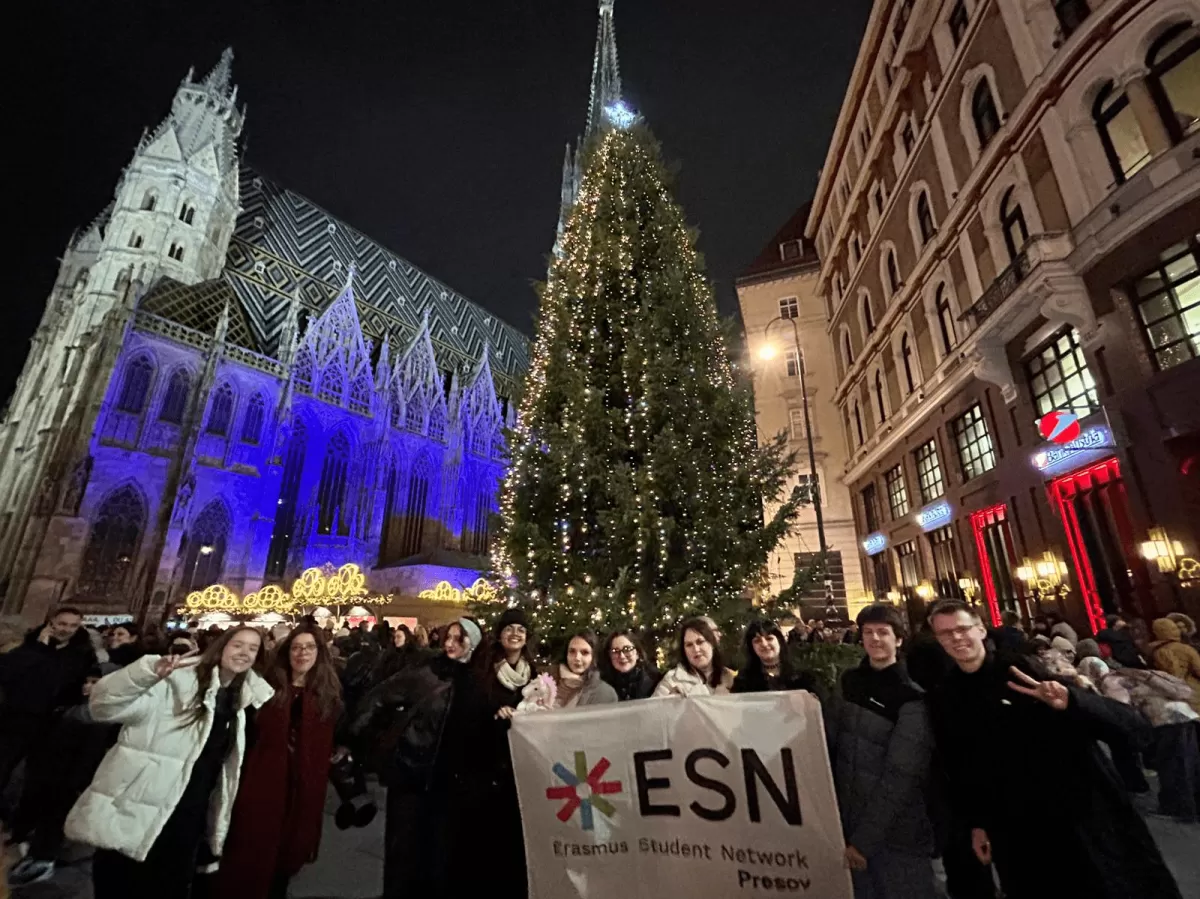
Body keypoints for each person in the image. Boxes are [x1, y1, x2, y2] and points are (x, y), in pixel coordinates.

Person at [925, 600, 1181, 899]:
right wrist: (978, 824)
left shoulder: (1025, 670)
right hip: (1015, 828)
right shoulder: (946, 696)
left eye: (962, 629)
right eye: (945, 634)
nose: (956, 638)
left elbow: (1130, 728)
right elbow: (963, 768)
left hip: (1076, 817)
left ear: (981, 629)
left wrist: (1071, 701)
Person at [64, 626, 272, 899]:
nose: (244, 652)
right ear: (221, 647)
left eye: (252, 648)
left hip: (188, 816)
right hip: (139, 807)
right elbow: (103, 706)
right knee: (119, 885)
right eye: (237, 644)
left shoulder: (243, 702)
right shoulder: (175, 683)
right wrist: (146, 672)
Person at [350, 617, 485, 898]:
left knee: (437, 857)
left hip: (448, 784)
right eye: (449, 636)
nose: (450, 643)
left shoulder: (476, 680)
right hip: (411, 774)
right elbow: (378, 697)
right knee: (403, 853)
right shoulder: (426, 671)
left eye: (459, 639)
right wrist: (352, 738)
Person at [218, 624, 344, 899]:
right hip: (265, 779)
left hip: (304, 784)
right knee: (252, 850)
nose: (302, 653)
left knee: (288, 853)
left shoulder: (326, 693)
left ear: (319, 652)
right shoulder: (267, 686)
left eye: (309, 647)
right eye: (297, 647)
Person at [823, 604, 937, 899]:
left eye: (883, 632)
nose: (875, 639)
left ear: (898, 639)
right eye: (868, 632)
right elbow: (829, 745)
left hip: (896, 834)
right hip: (849, 822)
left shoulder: (911, 698)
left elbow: (901, 777)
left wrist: (864, 841)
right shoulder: (849, 683)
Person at [5, 668, 119, 888]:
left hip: (67, 779)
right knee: (42, 812)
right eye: (87, 681)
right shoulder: (70, 707)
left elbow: (89, 754)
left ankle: (43, 860)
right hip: (48, 772)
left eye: (95, 682)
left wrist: (77, 782)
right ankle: (32, 849)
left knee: (54, 819)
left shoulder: (100, 717)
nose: (88, 686)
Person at [0, 606, 95, 817]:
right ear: (51, 622)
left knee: (36, 774)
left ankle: (18, 818)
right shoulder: (30, 645)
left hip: (52, 721)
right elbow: (7, 672)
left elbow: (84, 680)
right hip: (18, 717)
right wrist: (39, 649)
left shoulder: (82, 652)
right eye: (62, 624)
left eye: (73, 625)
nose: (67, 629)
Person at [1078, 657, 1199, 822]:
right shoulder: (1135, 673)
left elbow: (1122, 707)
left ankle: (1176, 809)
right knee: (1189, 765)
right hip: (1185, 714)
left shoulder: (1110, 682)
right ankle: (1192, 807)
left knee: (1172, 767)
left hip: (1164, 720)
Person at [653, 617, 734, 697]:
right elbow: (652, 708)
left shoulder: (729, 677)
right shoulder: (672, 680)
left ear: (712, 643)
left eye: (700, 642)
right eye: (689, 645)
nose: (696, 649)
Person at [732, 619, 816, 693]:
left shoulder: (802, 676)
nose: (764, 644)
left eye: (769, 638)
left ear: (779, 641)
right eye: (757, 641)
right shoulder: (744, 680)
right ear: (751, 647)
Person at [551, 631, 617, 707]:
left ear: (594, 657)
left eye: (585, 652)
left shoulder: (605, 692)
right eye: (572, 651)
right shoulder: (548, 683)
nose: (577, 658)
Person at [1149, 617, 1200, 713]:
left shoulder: (1154, 652)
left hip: (1169, 693)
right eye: (1174, 629)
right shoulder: (1185, 649)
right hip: (1193, 692)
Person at [599, 629, 662, 700]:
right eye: (615, 651)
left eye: (627, 649)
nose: (622, 656)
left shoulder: (655, 681)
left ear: (637, 653)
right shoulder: (602, 685)